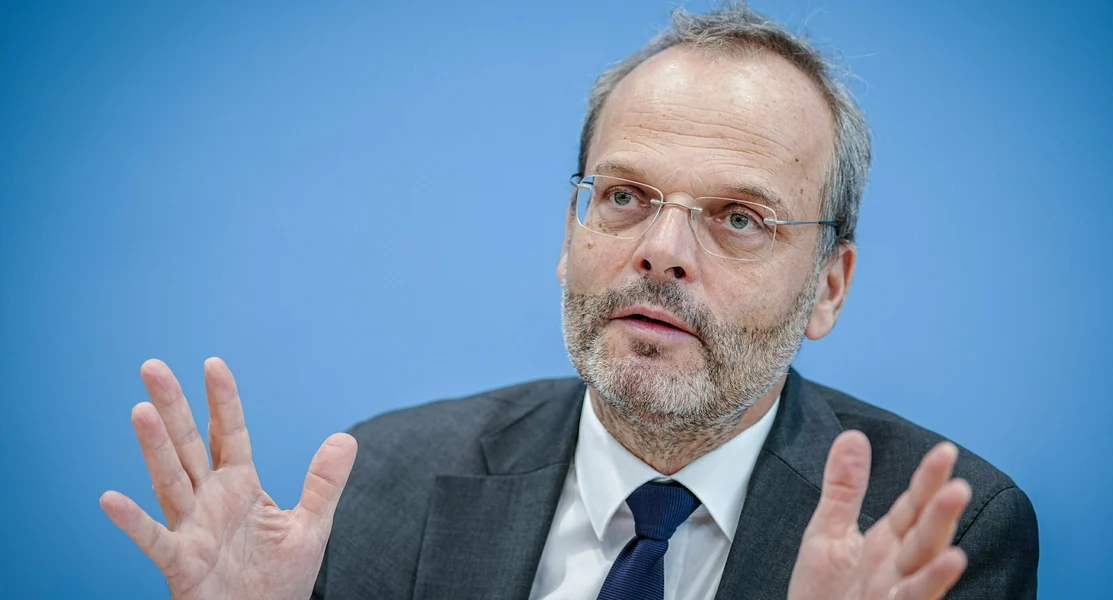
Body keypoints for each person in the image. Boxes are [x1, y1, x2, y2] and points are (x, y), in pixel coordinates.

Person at [100, 3, 1038, 599]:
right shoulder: (384, 483)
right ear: (569, 234)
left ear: (827, 287)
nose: (662, 252)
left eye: (739, 217)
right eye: (624, 197)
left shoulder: (935, 539)